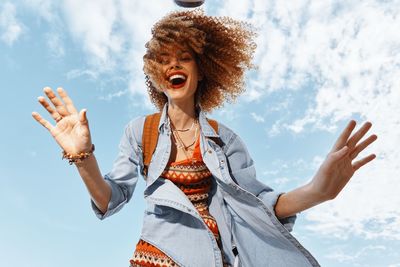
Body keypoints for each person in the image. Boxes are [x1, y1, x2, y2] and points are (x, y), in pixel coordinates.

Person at [32, 9, 377, 267]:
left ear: (202, 70)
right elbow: (111, 199)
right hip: (157, 256)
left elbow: (257, 206)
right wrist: (83, 157)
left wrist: (318, 191)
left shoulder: (226, 141)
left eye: (184, 57)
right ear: (154, 72)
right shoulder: (141, 131)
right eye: (163, 60)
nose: (172, 66)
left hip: (216, 258)